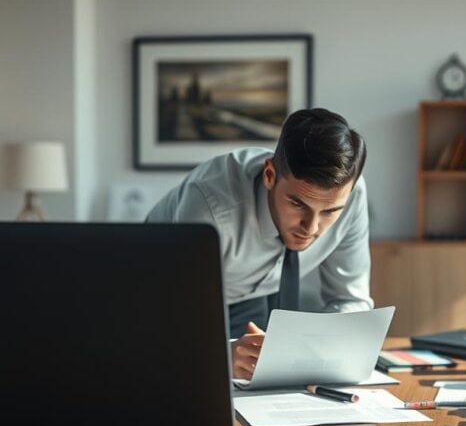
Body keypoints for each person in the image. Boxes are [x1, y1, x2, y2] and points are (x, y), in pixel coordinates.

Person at [146, 108, 372, 379]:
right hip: (165, 294)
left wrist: (326, 347)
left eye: (329, 211)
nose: (310, 228)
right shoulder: (210, 207)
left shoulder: (352, 197)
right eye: (297, 203)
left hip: (251, 292)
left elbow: (350, 300)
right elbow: (171, 318)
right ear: (269, 175)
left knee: (256, 382)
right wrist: (221, 355)